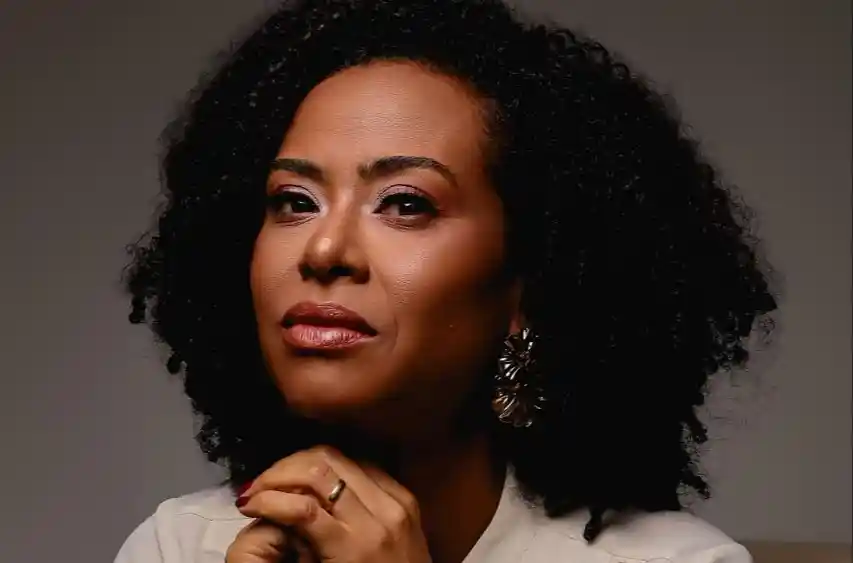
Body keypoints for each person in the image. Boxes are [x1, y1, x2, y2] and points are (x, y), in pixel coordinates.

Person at [115, 0, 777, 561]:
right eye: (294, 200)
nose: (323, 249)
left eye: (405, 203)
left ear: (530, 279)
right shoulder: (180, 546)